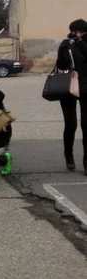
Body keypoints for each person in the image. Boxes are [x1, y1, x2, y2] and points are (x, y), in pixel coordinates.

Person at [57, 19, 87, 172]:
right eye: (75, 32)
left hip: (86, 89)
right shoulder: (67, 43)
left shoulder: (83, 44)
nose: (78, 35)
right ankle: (68, 155)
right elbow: (61, 66)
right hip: (68, 88)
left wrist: (81, 44)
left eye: (81, 32)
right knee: (70, 124)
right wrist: (62, 51)